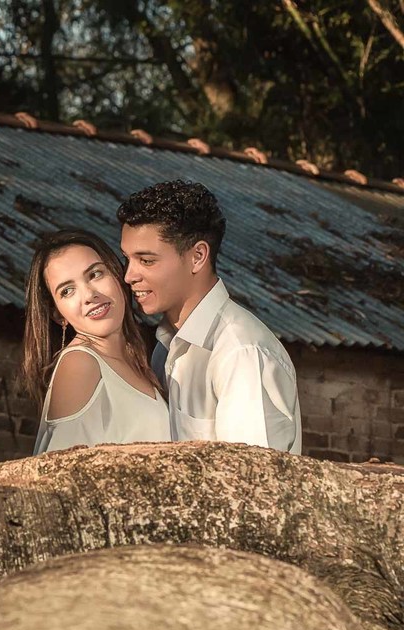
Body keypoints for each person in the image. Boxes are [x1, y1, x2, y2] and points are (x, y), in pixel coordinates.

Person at [117, 179, 302, 453]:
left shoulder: (241, 353)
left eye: (146, 261)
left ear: (198, 256)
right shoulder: (165, 348)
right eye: (127, 259)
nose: (129, 276)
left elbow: (252, 483)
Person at [21, 229, 170, 455]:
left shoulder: (139, 362)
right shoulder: (80, 364)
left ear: (118, 275)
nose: (89, 295)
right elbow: (57, 476)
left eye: (95, 274)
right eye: (68, 291)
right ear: (58, 314)